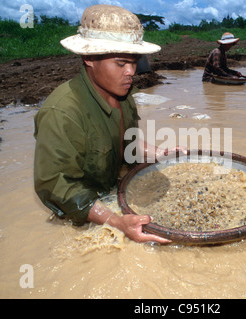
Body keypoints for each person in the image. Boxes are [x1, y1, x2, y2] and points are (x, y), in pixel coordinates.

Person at [34, 5, 183, 244]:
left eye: (134, 63)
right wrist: (115, 221)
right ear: (89, 58)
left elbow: (126, 142)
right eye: (121, 63)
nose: (131, 72)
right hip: (85, 212)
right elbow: (57, 186)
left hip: (116, 191)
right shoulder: (62, 113)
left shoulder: (124, 97)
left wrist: (162, 153)